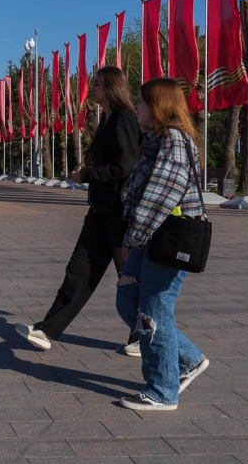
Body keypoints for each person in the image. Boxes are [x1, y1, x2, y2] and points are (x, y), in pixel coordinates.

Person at [16, 66, 142, 353]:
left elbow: (126, 167)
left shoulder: (124, 119)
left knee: (129, 277)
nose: (92, 89)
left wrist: (87, 174)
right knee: (79, 271)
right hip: (100, 211)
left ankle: (144, 337)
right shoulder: (107, 119)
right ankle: (47, 331)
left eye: (96, 84)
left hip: (119, 214)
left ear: (111, 88)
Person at [116, 78, 209, 411]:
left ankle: (163, 390)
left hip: (164, 238)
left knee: (154, 310)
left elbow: (161, 196)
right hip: (151, 237)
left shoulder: (172, 141)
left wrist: (134, 237)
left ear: (159, 107)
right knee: (129, 303)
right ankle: (189, 359)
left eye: (141, 101)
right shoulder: (157, 140)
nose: (136, 106)